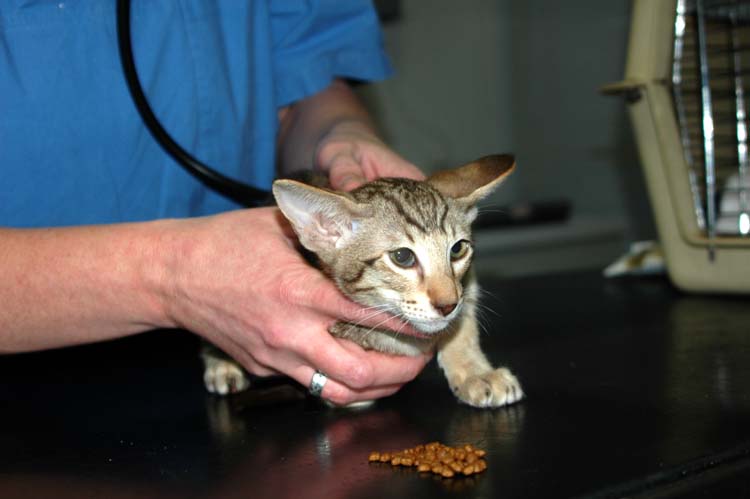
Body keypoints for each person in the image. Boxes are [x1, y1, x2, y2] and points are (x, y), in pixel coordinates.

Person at [0, 1, 431, 405]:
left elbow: (304, 71)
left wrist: (336, 137)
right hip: (28, 382)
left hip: (254, 355)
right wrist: (172, 277)